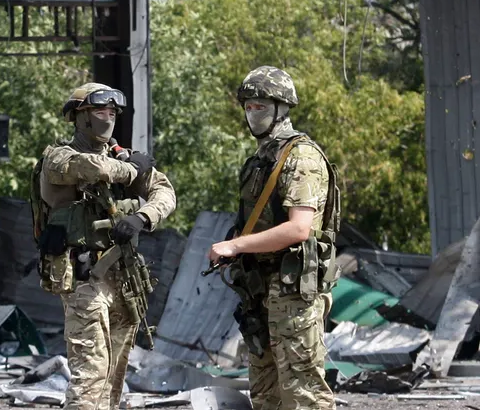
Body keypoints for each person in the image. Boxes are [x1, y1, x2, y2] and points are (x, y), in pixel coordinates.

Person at [31, 83, 177, 410]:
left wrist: (142, 217)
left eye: (112, 113)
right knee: (91, 373)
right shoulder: (59, 157)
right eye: (100, 112)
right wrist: (132, 168)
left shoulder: (120, 156)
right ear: (79, 118)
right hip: (84, 279)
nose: (108, 119)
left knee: (114, 374)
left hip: (123, 278)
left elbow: (165, 192)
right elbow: (94, 169)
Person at [208, 66, 340, 410]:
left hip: (292, 290)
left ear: (282, 108)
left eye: (261, 106)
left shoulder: (301, 158)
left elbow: (299, 228)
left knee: (303, 392)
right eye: (249, 107)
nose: (253, 114)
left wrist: (235, 245)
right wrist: (237, 241)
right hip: (260, 288)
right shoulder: (261, 160)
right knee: (265, 393)